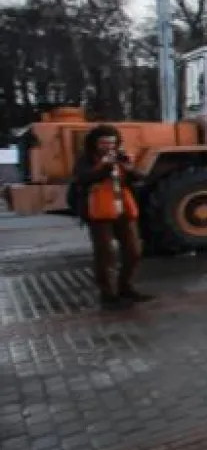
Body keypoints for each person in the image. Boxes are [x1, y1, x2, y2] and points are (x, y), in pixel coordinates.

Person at [72, 125, 153, 311]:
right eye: (104, 143)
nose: (108, 147)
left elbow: (140, 178)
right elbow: (83, 178)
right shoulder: (86, 159)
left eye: (112, 143)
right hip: (99, 211)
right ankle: (108, 294)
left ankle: (126, 286)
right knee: (105, 254)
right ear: (94, 143)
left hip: (123, 209)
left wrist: (127, 166)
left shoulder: (120, 157)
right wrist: (106, 166)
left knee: (134, 251)